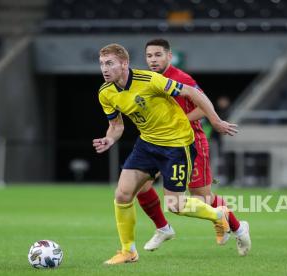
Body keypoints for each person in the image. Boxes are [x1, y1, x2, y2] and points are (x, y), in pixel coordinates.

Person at [93, 43, 237, 265]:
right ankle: (128, 251)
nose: (104, 68)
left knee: (176, 205)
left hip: (176, 144)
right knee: (122, 194)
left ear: (124, 64)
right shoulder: (106, 92)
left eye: (109, 63)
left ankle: (220, 214)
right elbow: (116, 126)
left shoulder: (149, 80)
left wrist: (216, 121)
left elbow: (192, 92)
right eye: (102, 63)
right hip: (147, 143)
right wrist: (109, 139)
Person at [137, 39, 251, 256]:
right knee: (138, 184)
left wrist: (179, 122)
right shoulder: (148, 80)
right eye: (149, 56)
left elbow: (203, 106)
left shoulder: (181, 78)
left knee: (201, 197)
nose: (153, 60)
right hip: (159, 142)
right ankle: (162, 228)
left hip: (190, 141)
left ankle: (238, 227)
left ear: (169, 56)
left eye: (158, 55)